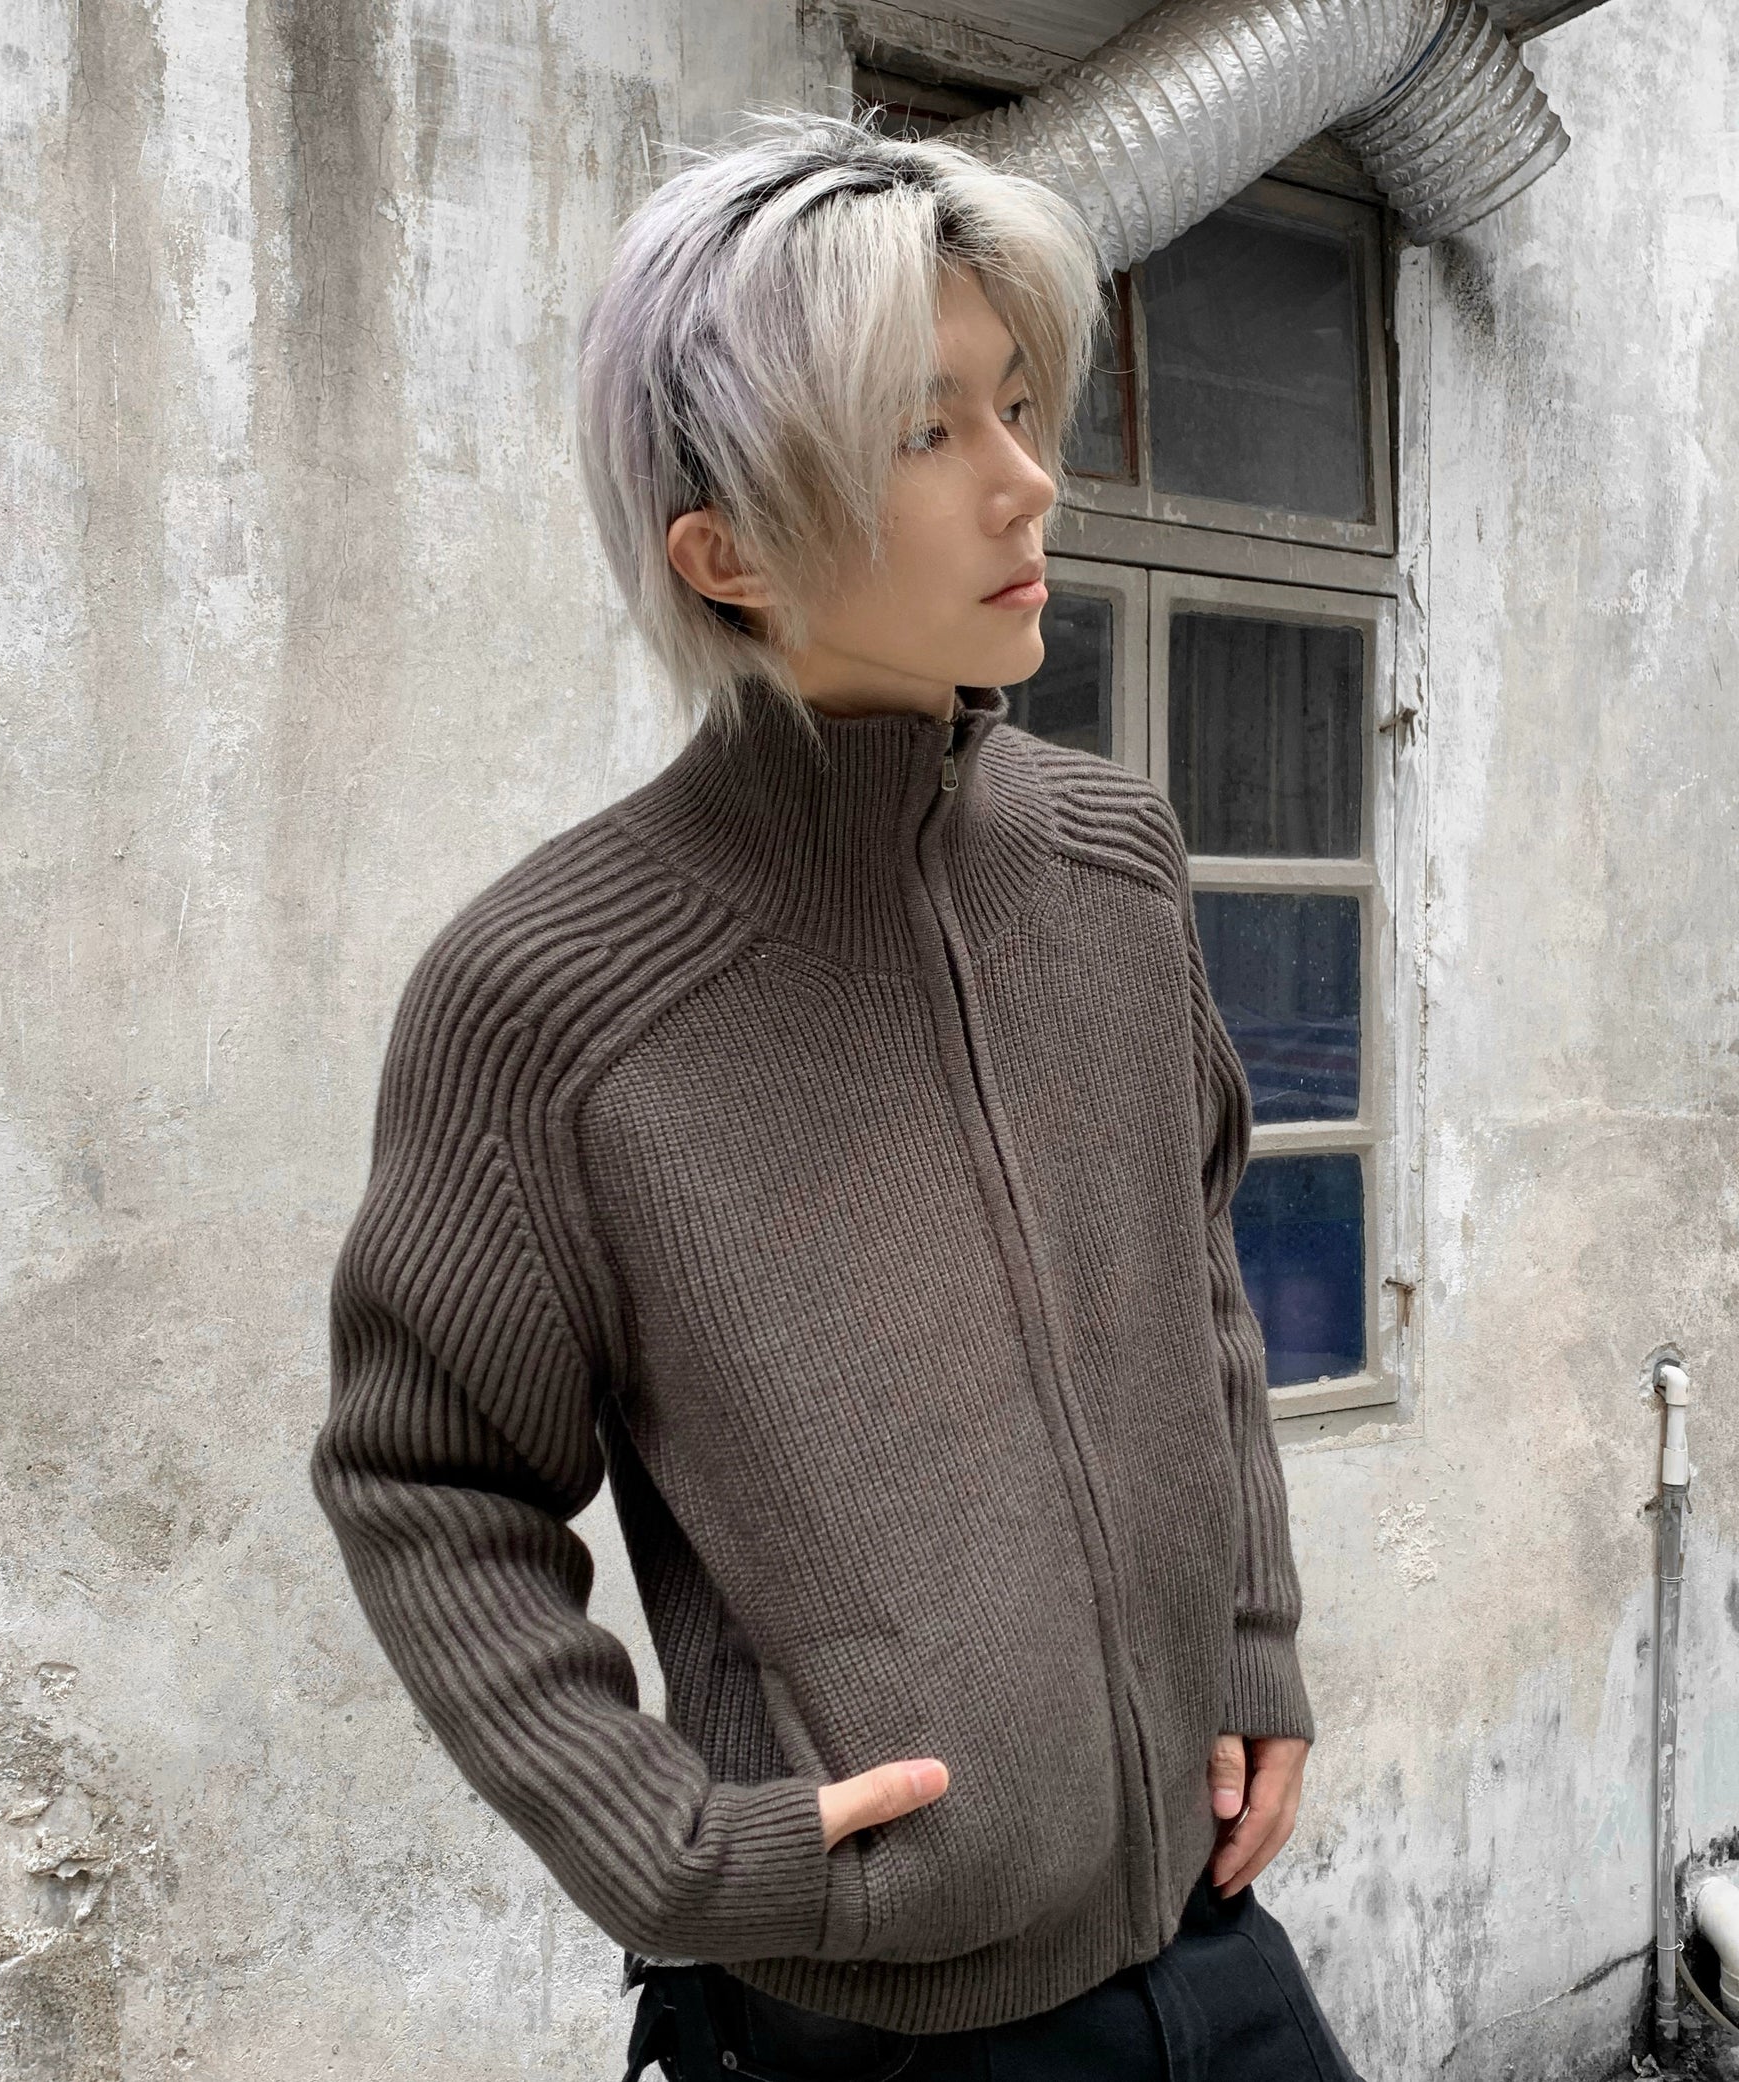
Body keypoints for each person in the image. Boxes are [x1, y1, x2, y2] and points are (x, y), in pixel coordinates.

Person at [309, 108, 1365, 2081]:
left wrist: (1249, 1639)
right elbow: (426, 1479)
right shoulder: (549, 1001)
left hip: (1206, 1939)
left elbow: (1195, 1278)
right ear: (725, 551)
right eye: (924, 430)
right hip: (863, 2016)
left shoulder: (1113, 864)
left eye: (1018, 403)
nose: (1027, 479)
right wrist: (678, 1849)